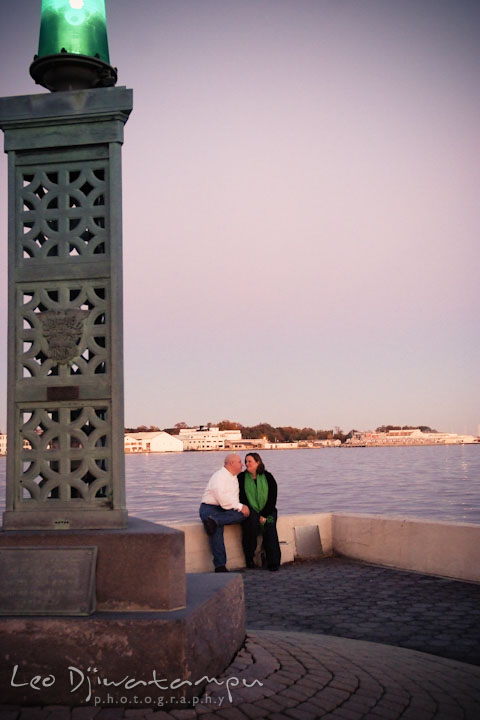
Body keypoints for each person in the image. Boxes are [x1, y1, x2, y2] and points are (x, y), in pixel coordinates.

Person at [199, 453, 250, 572]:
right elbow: (223, 500)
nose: (242, 464)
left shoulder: (234, 477)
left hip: (223, 510)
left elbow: (231, 501)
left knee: (242, 515)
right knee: (216, 529)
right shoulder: (219, 476)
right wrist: (240, 506)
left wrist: (240, 508)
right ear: (232, 463)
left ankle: (215, 520)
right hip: (209, 508)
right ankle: (220, 566)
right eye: (239, 462)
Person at [237, 452, 281, 571]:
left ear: (258, 462)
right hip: (251, 510)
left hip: (269, 511)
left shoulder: (268, 477)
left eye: (249, 461)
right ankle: (249, 559)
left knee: (270, 526)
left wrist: (265, 514)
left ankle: (273, 561)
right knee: (251, 526)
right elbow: (241, 498)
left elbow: (273, 497)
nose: (246, 464)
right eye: (245, 461)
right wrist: (255, 513)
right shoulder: (241, 478)